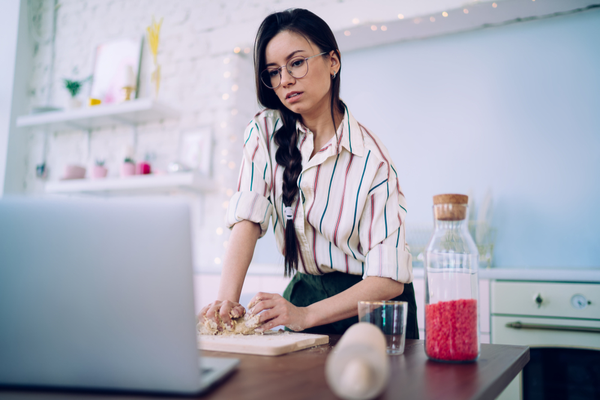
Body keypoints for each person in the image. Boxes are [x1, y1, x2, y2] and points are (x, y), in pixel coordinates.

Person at [200, 8, 418, 338]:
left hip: (369, 310)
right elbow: (247, 219)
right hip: (305, 295)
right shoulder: (263, 131)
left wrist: (303, 316)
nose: (284, 79)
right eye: (273, 71)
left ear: (333, 61)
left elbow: (387, 280)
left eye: (297, 63)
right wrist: (226, 302)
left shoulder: (371, 159)